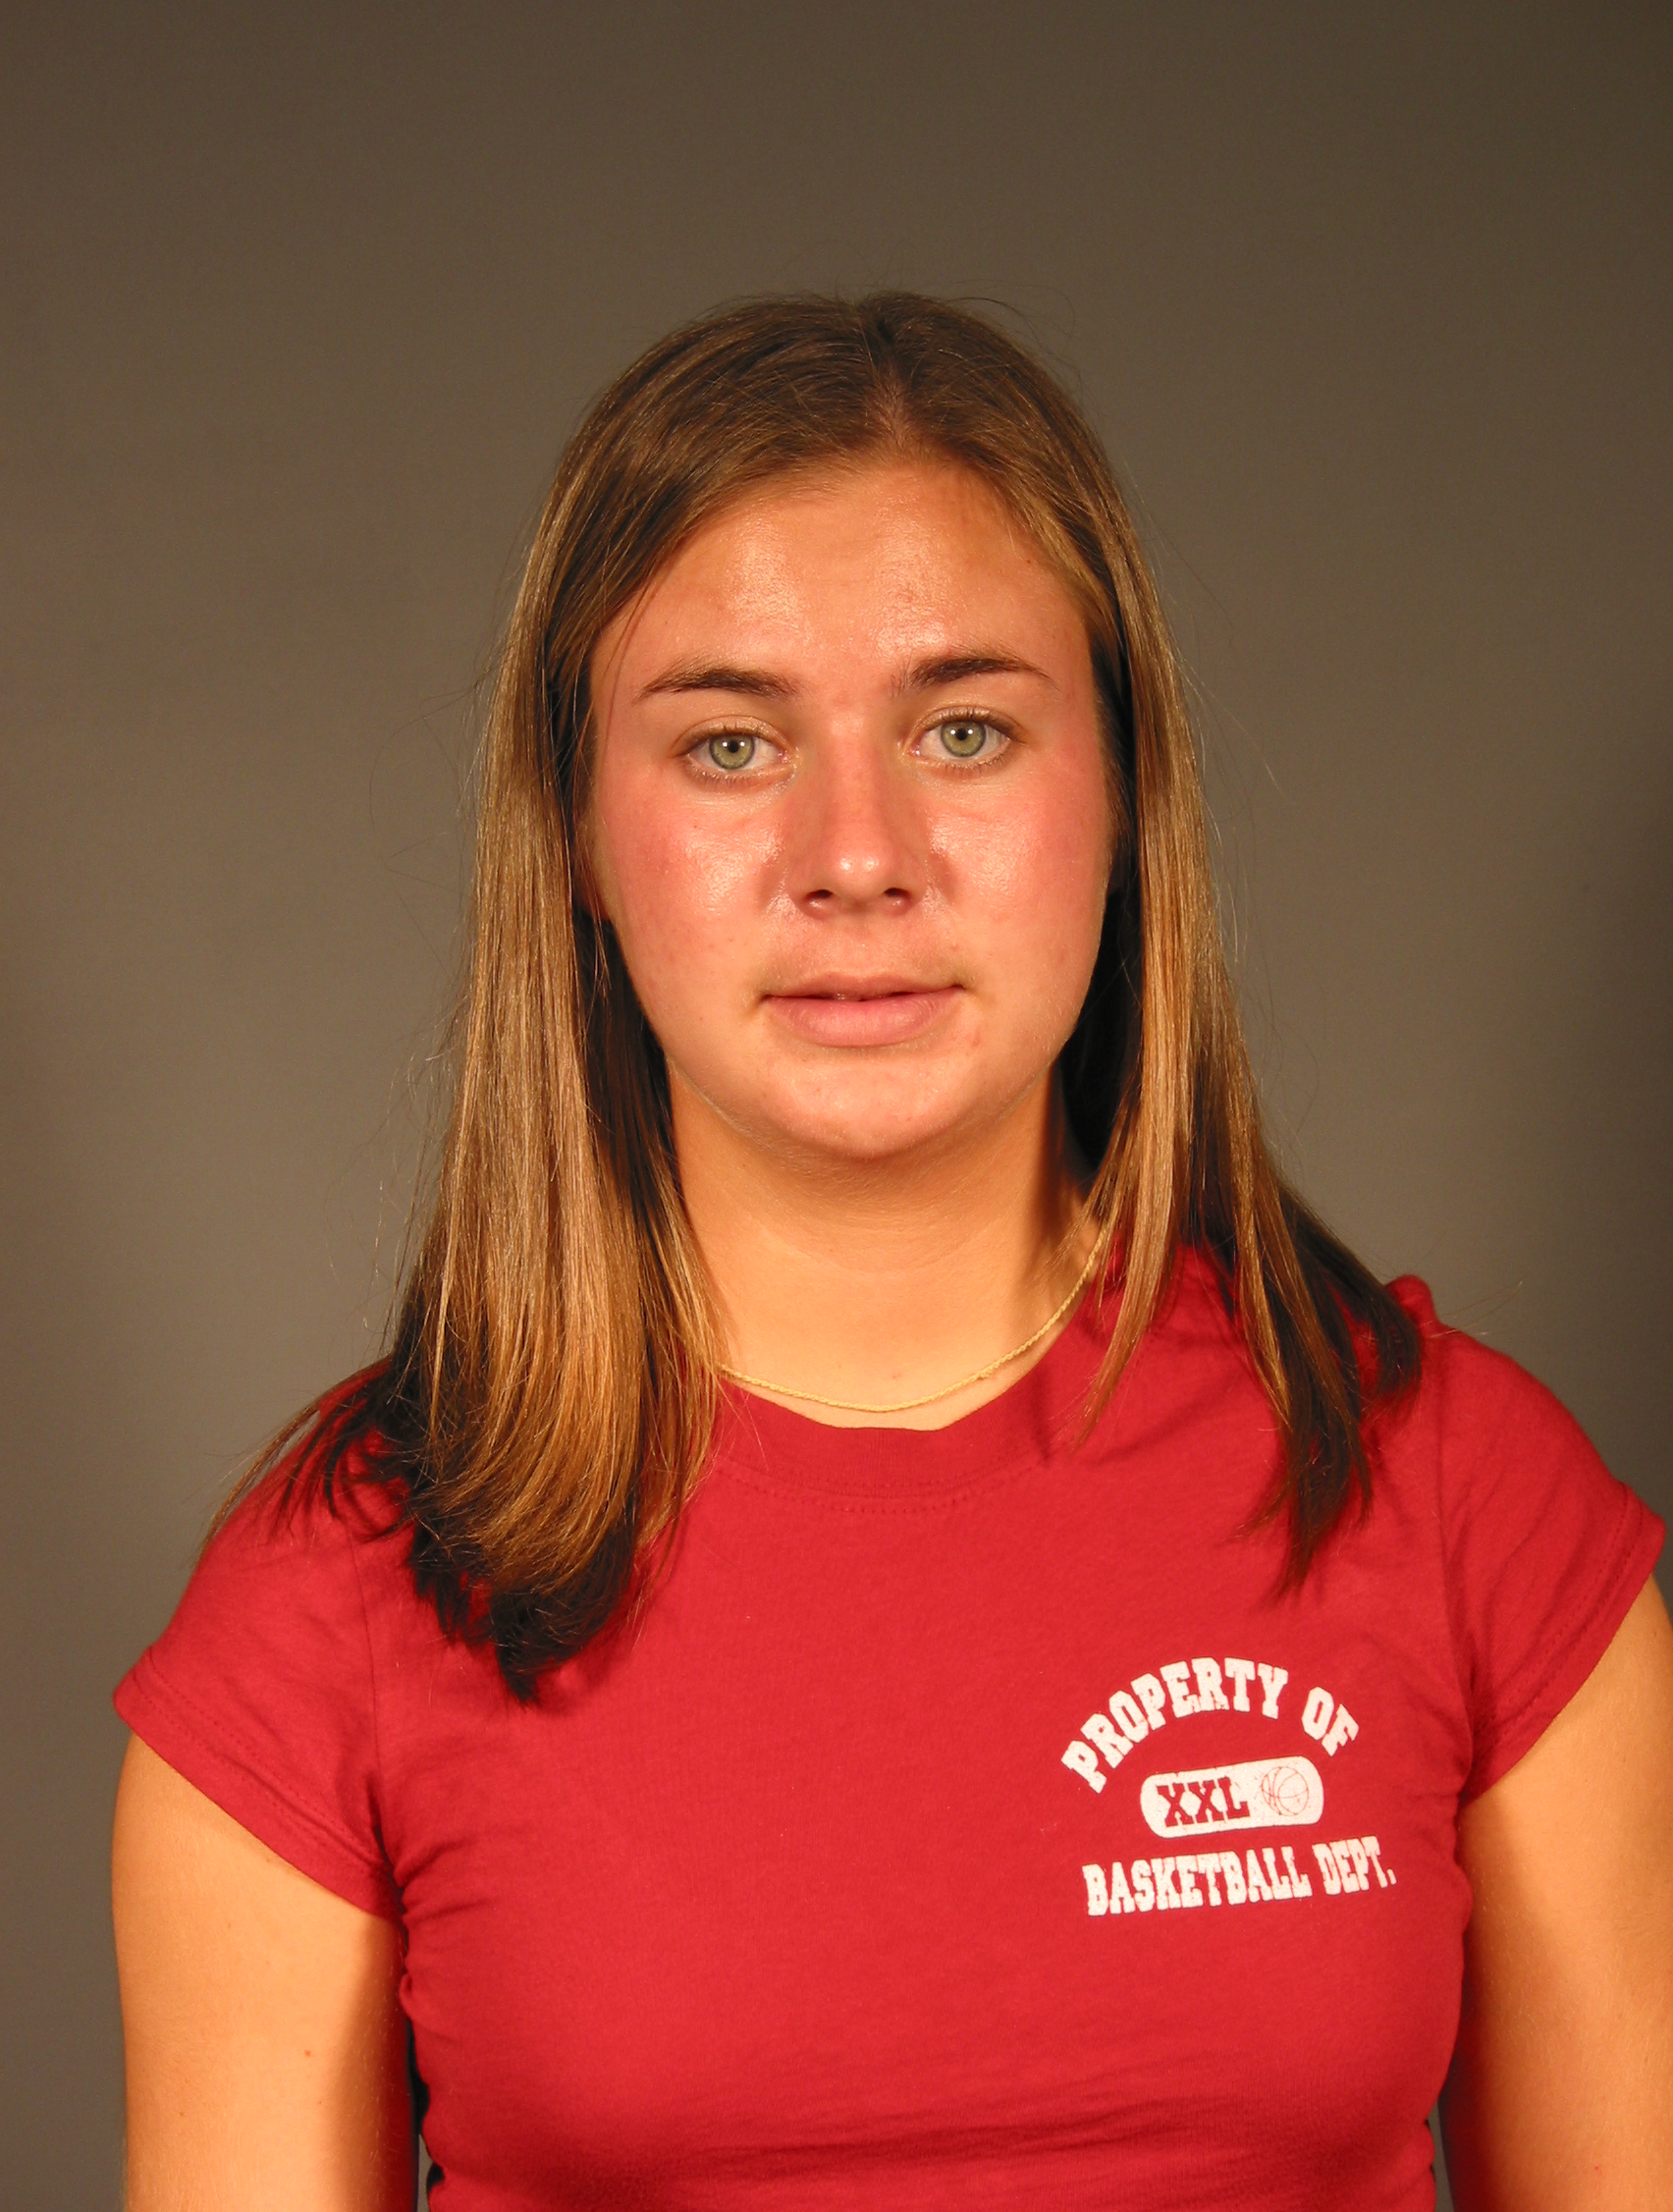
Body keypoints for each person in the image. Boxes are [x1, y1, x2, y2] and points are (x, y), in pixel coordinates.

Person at [111, 294, 1673, 2210]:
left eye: (964, 728)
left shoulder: (1464, 1505)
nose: (858, 853)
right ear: (578, 835)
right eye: (730, 745)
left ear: (1126, 795)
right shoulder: (327, 1607)